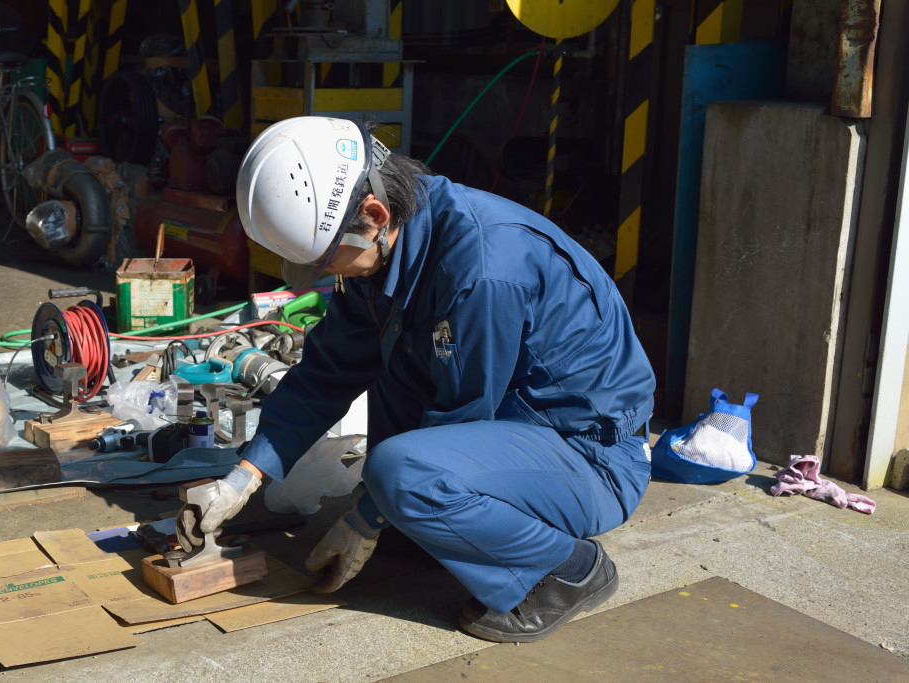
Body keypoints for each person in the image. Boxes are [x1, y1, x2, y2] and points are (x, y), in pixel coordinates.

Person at [175, 115, 656, 643]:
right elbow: (327, 372)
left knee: (403, 473)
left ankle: (566, 569)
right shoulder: (389, 248)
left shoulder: (482, 269)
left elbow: (464, 414)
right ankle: (427, 519)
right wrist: (243, 476)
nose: (331, 276)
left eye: (328, 260)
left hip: (587, 460)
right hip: (518, 436)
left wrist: (370, 514)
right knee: (392, 356)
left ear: (374, 214)